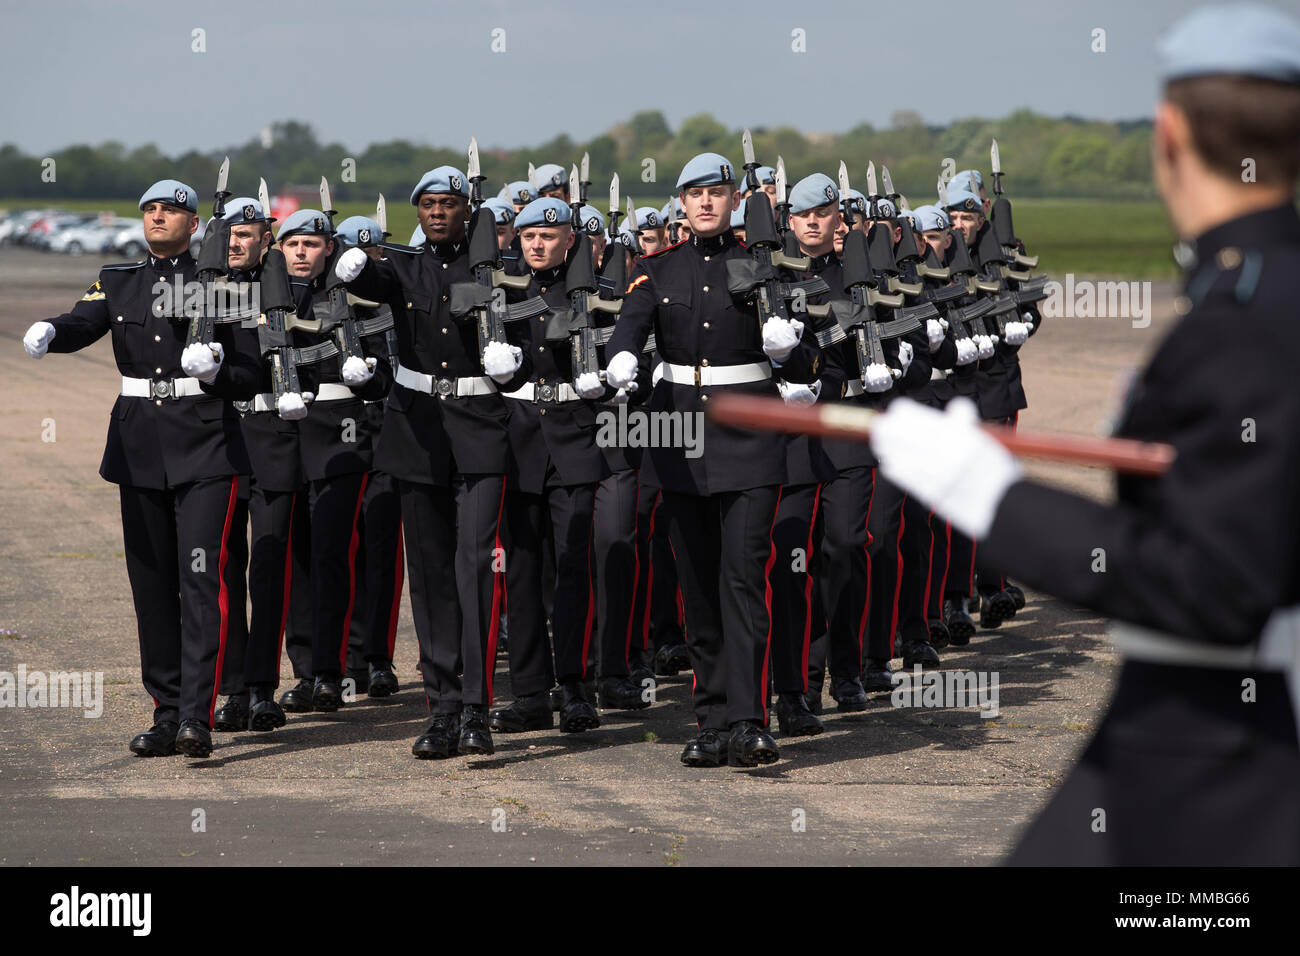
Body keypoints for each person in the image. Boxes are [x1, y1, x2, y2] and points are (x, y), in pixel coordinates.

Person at [869, 3, 1300, 864]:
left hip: (1217, 734)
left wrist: (993, 499)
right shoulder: (1250, 288)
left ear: (1169, 134)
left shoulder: (1245, 316)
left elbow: (1212, 582)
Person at [22, 179, 260, 758]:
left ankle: (198, 717)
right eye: (150, 209)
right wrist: (52, 331)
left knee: (200, 581)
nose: (158, 217)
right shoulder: (120, 280)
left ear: (194, 222)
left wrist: (214, 372)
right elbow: (85, 322)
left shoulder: (222, 287)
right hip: (140, 448)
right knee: (151, 587)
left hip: (206, 447)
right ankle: (166, 710)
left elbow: (252, 375)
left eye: (171, 210)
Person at [605, 152, 822, 767]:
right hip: (680, 442)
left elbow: (804, 360)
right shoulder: (656, 269)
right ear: (680, 203)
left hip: (749, 441)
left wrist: (789, 353)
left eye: (717, 192)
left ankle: (751, 719)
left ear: (734, 201)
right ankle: (712, 718)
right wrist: (623, 358)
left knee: (744, 579)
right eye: (694, 193)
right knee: (698, 588)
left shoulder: (764, 265)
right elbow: (632, 325)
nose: (705, 202)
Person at [334, 166, 523, 759]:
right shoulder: (406, 266)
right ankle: (441, 708)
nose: (438, 212)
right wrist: (353, 263)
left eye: (449, 203)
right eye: (429, 204)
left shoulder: (496, 268)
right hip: (418, 434)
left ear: (469, 210)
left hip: (481, 430)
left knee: (474, 568)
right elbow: (372, 272)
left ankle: (477, 707)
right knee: (433, 576)